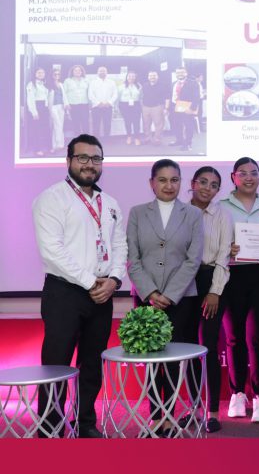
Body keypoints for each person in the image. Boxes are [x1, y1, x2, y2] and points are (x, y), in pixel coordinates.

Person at [32, 134, 127, 438]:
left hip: (102, 295)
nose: (90, 164)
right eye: (83, 157)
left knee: (92, 363)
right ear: (69, 160)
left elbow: (119, 245)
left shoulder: (110, 203)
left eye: (96, 158)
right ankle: (50, 427)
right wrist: (91, 282)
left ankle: (85, 422)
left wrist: (114, 280)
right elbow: (53, 251)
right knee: (56, 364)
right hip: (65, 293)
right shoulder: (51, 198)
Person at [127, 159, 203, 437]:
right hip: (145, 298)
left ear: (181, 182)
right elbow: (132, 258)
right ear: (152, 183)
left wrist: (169, 295)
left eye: (174, 180)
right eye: (162, 180)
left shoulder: (193, 214)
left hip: (182, 299)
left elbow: (193, 260)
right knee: (150, 359)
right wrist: (150, 292)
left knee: (172, 359)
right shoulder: (137, 213)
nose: (169, 185)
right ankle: (154, 416)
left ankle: (169, 416)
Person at [219, 157, 259, 423]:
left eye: (253, 173)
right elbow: (211, 243)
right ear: (233, 177)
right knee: (234, 338)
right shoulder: (221, 207)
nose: (248, 178)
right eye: (242, 173)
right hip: (232, 276)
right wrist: (227, 248)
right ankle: (237, 394)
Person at [184, 166, 233, 433]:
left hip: (212, 280)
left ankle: (213, 411)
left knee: (210, 346)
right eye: (203, 182)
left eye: (214, 185)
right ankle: (193, 408)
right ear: (193, 183)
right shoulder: (179, 211)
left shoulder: (223, 215)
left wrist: (215, 291)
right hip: (183, 282)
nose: (207, 188)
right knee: (188, 348)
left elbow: (224, 256)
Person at [169, 67, 201, 151]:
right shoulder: (173, 83)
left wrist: (191, 108)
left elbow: (196, 97)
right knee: (176, 125)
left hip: (187, 107)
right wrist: (169, 108)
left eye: (182, 72)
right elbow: (171, 96)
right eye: (178, 73)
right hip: (174, 107)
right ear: (176, 74)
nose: (180, 74)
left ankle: (188, 144)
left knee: (188, 126)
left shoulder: (193, 83)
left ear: (186, 73)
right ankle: (179, 140)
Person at [26, 67, 50, 156]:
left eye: (42, 72)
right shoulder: (31, 84)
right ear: (35, 74)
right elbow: (30, 99)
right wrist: (34, 112)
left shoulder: (44, 83)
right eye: (39, 72)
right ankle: (37, 149)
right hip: (37, 107)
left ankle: (44, 147)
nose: (41, 74)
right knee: (36, 129)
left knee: (44, 128)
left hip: (44, 107)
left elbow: (46, 97)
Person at [88, 66, 117, 138]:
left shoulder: (112, 82)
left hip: (108, 106)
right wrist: (98, 103)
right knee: (96, 124)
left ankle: (107, 139)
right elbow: (90, 94)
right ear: (97, 72)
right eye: (100, 71)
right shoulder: (93, 82)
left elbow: (115, 94)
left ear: (107, 72)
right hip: (96, 107)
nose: (102, 72)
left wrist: (109, 102)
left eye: (104, 71)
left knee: (107, 124)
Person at [141, 70, 168, 145]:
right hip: (146, 107)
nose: (152, 77)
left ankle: (157, 139)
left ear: (157, 76)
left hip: (158, 107)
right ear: (148, 77)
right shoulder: (145, 85)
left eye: (154, 75)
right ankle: (148, 138)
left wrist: (166, 108)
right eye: (150, 75)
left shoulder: (163, 85)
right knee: (146, 124)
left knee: (159, 124)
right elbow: (142, 96)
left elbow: (167, 97)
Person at [63, 65, 90, 135]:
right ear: (72, 72)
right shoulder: (67, 81)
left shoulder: (86, 80)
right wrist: (66, 104)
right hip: (73, 105)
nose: (77, 72)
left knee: (85, 123)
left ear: (82, 72)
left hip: (84, 104)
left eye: (79, 70)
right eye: (75, 70)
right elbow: (64, 93)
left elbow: (89, 92)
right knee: (76, 123)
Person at [118, 71, 142, 146]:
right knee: (127, 122)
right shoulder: (121, 86)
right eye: (129, 76)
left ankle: (137, 138)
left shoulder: (139, 86)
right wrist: (118, 107)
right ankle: (129, 137)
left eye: (133, 76)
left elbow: (141, 96)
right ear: (127, 77)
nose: (131, 78)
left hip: (136, 105)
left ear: (135, 77)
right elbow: (118, 97)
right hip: (125, 105)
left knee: (136, 122)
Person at [48, 68, 66, 152]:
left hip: (61, 106)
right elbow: (47, 97)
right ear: (52, 75)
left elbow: (64, 96)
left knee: (60, 125)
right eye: (55, 74)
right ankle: (56, 145)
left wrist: (66, 104)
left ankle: (60, 144)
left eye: (58, 74)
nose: (57, 76)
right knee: (57, 124)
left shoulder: (61, 84)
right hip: (53, 107)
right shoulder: (48, 85)